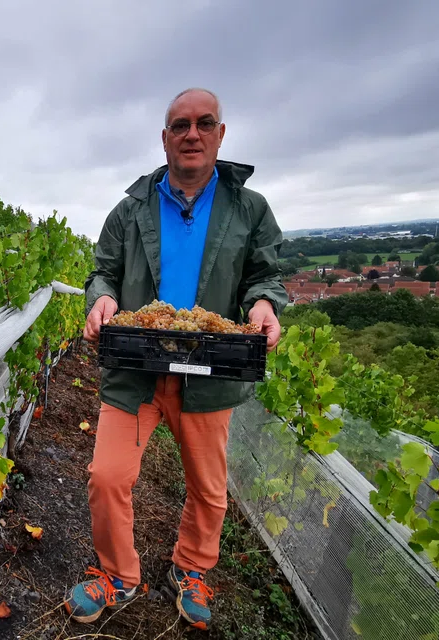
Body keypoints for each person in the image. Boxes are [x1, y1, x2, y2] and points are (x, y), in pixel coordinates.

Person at [63, 88, 288, 630]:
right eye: (180, 125)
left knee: (209, 490)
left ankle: (190, 568)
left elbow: (265, 275)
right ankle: (118, 574)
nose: (192, 134)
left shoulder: (249, 208)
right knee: (106, 476)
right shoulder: (130, 209)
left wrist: (262, 304)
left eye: (204, 123)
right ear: (165, 138)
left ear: (220, 134)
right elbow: (103, 272)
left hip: (210, 371)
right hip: (136, 365)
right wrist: (103, 301)